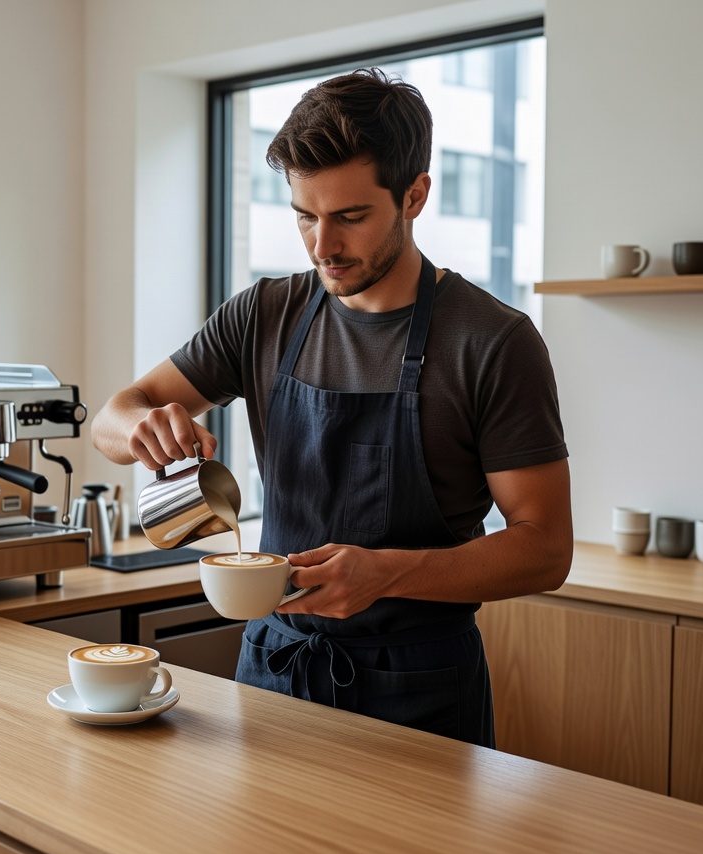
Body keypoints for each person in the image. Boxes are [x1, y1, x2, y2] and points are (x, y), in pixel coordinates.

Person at [91, 68, 572, 748]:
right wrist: (141, 427)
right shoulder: (264, 315)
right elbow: (115, 415)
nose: (323, 246)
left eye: (349, 217)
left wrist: (388, 572)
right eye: (304, 216)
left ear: (415, 196)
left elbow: (546, 549)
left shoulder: (492, 342)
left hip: (421, 694)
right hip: (273, 671)